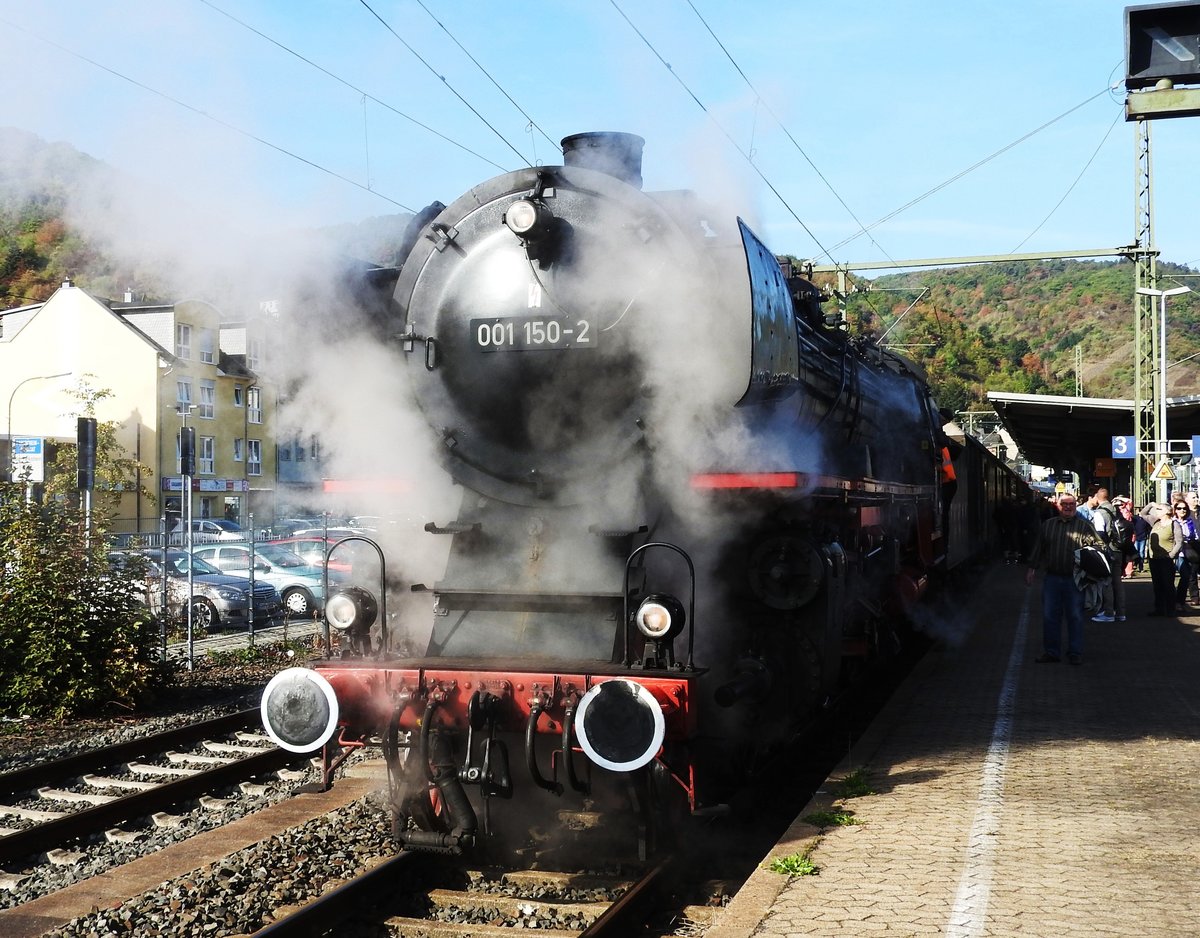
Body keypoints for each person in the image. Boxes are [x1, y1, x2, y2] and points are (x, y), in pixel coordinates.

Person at [1025, 492, 1103, 665]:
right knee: (1050, 616)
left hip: (1075, 579)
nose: (1068, 507)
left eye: (1072, 504)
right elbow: (1039, 547)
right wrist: (1032, 568)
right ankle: (1051, 652)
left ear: (1076, 506)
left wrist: (1090, 559)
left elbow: (1099, 547)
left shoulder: (1084, 526)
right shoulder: (1048, 525)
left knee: (1075, 616)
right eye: (1065, 504)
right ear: (1058, 506)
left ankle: (1075, 652)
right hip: (1052, 577)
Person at [1089, 488, 1126, 622]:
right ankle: (1121, 612)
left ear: (1097, 497)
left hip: (1107, 551)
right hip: (1118, 550)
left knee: (1106, 582)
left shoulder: (1100, 512)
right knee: (1117, 582)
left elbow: (1101, 534)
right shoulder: (1115, 510)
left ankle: (1108, 612)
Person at [1143, 502, 1184, 617]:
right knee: (1157, 585)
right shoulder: (1155, 522)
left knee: (1168, 585)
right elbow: (1143, 513)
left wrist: (1171, 555)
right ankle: (1159, 609)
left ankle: (1170, 609)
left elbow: (1179, 541)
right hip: (1153, 558)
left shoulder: (1174, 524)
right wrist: (1151, 504)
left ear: (1167, 511)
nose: (1157, 511)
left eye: (1160, 509)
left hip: (1165, 559)